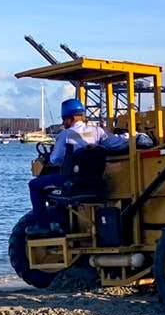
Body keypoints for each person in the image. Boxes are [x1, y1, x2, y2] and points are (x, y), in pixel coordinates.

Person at [28, 97, 107, 233]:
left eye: (64, 120)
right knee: (59, 188)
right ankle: (61, 217)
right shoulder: (98, 132)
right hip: (96, 182)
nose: (63, 123)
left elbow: (55, 159)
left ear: (70, 119)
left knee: (34, 185)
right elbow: (116, 143)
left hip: (73, 181)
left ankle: (42, 226)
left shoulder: (66, 135)